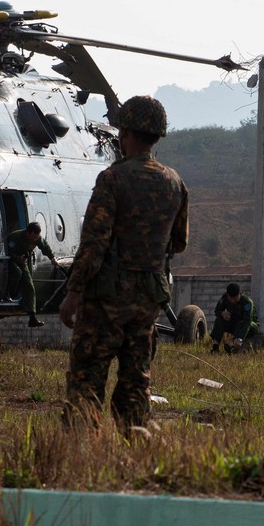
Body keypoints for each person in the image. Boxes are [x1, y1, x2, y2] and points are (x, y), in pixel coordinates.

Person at [59, 96, 188, 434]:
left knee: (87, 375)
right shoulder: (174, 183)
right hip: (147, 301)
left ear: (124, 132)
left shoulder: (112, 179)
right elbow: (178, 243)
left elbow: (94, 243)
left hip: (106, 299)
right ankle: (137, 441)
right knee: (135, 380)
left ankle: (79, 448)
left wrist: (73, 292)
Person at [6, 221, 55, 327]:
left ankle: (32, 318)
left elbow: (44, 246)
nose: (35, 240)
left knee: (30, 286)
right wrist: (17, 258)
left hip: (22, 261)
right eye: (33, 237)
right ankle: (8, 293)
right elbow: (6, 252)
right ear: (28, 233)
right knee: (16, 273)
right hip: (10, 260)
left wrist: (52, 258)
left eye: (37, 237)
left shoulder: (37, 238)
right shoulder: (15, 237)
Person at [209, 282, 259, 353]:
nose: (233, 301)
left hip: (249, 326)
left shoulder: (247, 302)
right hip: (234, 324)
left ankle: (233, 346)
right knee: (219, 320)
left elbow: (247, 321)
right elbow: (217, 311)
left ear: (239, 294)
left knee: (241, 323)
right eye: (231, 299)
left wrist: (240, 338)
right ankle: (215, 347)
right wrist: (222, 313)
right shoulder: (224, 298)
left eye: (235, 299)